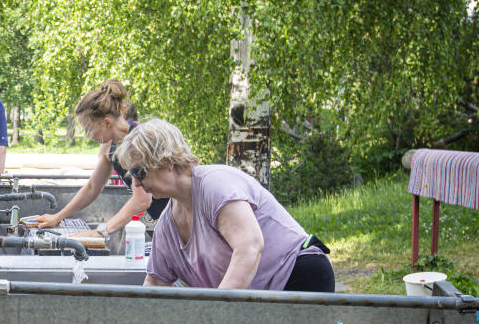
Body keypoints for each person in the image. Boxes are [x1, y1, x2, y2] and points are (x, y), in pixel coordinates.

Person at [114, 119, 335, 292]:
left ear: (167, 161)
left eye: (139, 172)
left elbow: (249, 247)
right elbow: (155, 284)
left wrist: (217, 316)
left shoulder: (215, 185)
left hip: (298, 277)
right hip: (261, 300)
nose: (136, 183)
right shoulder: (167, 226)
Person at [35, 80, 166, 240]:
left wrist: (101, 232)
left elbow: (141, 201)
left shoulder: (136, 142)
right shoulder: (112, 144)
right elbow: (92, 187)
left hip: (183, 215)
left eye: (89, 129)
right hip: (162, 220)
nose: (88, 135)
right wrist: (58, 216)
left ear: (106, 123)